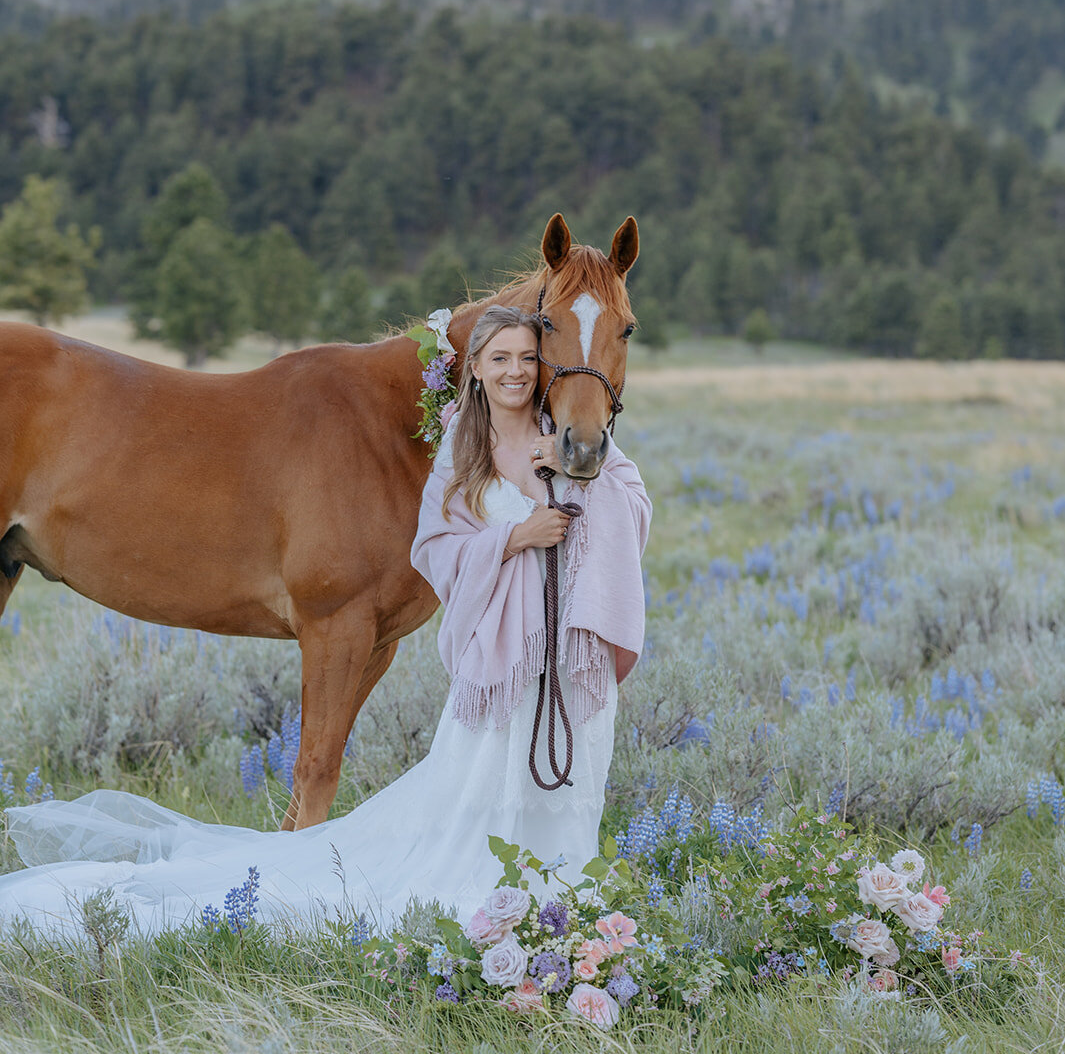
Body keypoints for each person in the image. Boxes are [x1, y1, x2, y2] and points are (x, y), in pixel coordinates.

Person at [0, 306, 650, 937]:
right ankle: (308, 849)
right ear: (472, 367)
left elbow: (614, 498)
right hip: (506, 658)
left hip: (546, 658)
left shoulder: (532, 439)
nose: (515, 372)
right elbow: (433, 555)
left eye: (525, 360)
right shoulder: (461, 448)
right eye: (500, 359)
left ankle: (545, 901)